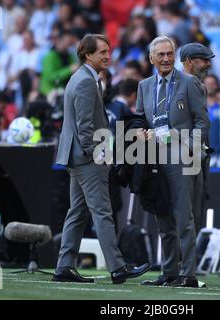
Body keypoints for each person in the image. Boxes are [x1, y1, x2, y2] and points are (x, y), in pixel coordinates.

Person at [53, 34, 150, 284]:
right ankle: (117, 268)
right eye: (103, 52)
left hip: (77, 156)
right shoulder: (86, 82)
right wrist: (99, 154)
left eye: (109, 51)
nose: (108, 56)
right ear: (88, 55)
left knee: (77, 212)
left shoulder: (83, 78)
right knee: (103, 212)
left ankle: (64, 266)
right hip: (87, 158)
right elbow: (86, 126)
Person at [137, 36, 209, 288]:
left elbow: (202, 123)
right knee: (163, 218)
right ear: (151, 59)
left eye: (169, 54)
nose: (166, 58)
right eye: (161, 55)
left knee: (184, 218)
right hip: (154, 159)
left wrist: (189, 150)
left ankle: (187, 274)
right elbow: (139, 120)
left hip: (182, 159)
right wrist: (137, 133)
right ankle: (168, 272)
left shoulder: (189, 83)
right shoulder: (144, 86)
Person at [180, 42, 214, 233]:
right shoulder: (175, 85)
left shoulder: (200, 87)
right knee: (188, 212)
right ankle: (180, 261)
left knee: (196, 211)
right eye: (204, 60)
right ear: (189, 62)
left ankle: (189, 262)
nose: (208, 65)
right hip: (184, 156)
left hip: (198, 155)